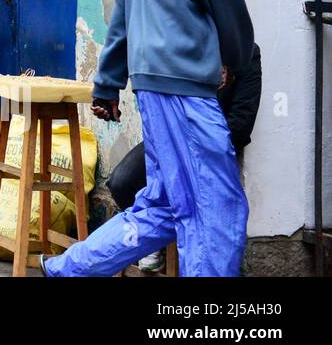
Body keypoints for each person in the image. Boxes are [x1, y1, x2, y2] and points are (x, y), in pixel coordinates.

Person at [42, 0, 254, 277]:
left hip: (155, 90)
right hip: (184, 92)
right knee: (217, 208)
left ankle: (67, 269)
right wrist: (236, 61)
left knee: (163, 207)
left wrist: (108, 84)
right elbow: (233, 16)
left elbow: (124, 4)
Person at [108, 32, 262, 273]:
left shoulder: (247, 54)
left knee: (195, 199)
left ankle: (184, 243)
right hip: (171, 137)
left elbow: (241, 125)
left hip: (212, 148)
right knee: (122, 182)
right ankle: (155, 239)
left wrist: (196, 147)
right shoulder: (183, 46)